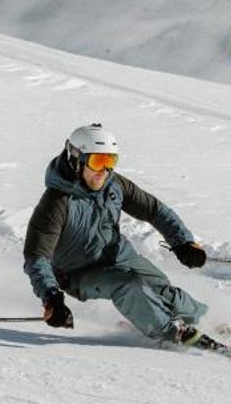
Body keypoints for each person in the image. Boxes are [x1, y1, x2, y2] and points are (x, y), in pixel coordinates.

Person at [24, 124, 209, 341]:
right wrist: (51, 297)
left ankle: (204, 320)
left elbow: (155, 210)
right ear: (76, 159)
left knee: (161, 289)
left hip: (119, 256)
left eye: (110, 161)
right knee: (129, 284)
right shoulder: (56, 203)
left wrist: (183, 242)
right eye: (97, 162)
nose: (105, 170)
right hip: (78, 272)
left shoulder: (114, 185)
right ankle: (170, 333)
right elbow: (36, 256)